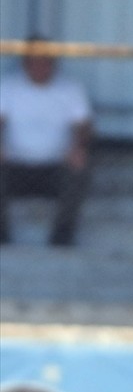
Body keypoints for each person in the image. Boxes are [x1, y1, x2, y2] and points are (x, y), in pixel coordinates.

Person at [0, 42, 92, 246]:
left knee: (80, 170)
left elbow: (83, 126)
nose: (39, 68)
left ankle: (62, 234)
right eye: (34, 62)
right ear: (24, 64)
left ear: (54, 64)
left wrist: (78, 148)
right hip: (15, 166)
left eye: (45, 62)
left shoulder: (70, 89)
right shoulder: (7, 87)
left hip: (55, 167)